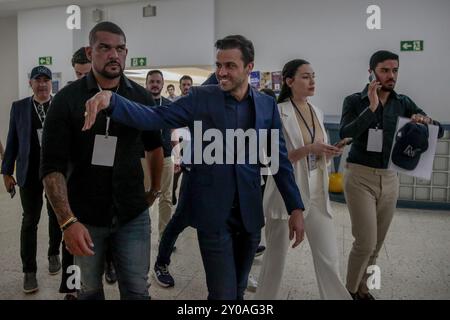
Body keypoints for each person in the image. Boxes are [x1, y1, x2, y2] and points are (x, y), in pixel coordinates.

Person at [83, 34, 306, 300]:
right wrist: (113, 101)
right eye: (218, 65)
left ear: (249, 67)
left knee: (237, 292)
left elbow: (278, 161)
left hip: (249, 216)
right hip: (214, 215)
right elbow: (156, 116)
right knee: (223, 294)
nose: (222, 72)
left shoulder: (266, 106)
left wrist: (295, 207)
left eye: (230, 66)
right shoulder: (201, 98)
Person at [41, 21, 163, 300]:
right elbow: (51, 167)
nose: (114, 55)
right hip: (84, 216)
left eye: (120, 48)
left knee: (136, 289)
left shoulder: (141, 97)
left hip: (132, 212)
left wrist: (154, 190)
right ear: (89, 51)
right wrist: (67, 222)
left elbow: (155, 147)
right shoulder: (66, 101)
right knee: (87, 291)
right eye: (105, 47)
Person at [340, 50, 444, 300]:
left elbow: (438, 132)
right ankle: (350, 291)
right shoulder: (354, 100)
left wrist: (426, 121)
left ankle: (364, 289)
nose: (391, 75)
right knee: (364, 241)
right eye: (385, 70)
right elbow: (345, 133)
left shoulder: (403, 102)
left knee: (376, 245)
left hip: (389, 178)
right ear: (371, 72)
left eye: (395, 70)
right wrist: (371, 107)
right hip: (359, 177)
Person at [255, 59, 351, 300]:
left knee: (329, 259)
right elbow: (269, 160)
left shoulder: (316, 111)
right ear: (289, 81)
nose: (312, 81)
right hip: (286, 196)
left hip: (317, 192)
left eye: (313, 76)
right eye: (306, 76)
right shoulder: (276, 112)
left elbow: (317, 153)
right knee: (274, 262)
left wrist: (327, 152)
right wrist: (308, 149)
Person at [1, 66, 62, 293]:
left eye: (46, 80)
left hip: (56, 172)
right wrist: (7, 172)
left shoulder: (59, 104)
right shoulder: (19, 108)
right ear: (31, 83)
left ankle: (54, 252)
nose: (42, 84)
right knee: (30, 221)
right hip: (29, 172)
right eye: (38, 80)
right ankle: (29, 271)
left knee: (57, 216)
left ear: (51, 84)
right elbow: (12, 140)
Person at [145, 70, 174, 241]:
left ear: (162, 84)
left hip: (166, 157)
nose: (155, 84)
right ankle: (143, 233)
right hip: (144, 157)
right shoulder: (139, 103)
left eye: (158, 82)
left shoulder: (169, 105)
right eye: (152, 82)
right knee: (143, 196)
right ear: (146, 84)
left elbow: (173, 129)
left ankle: (164, 236)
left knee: (166, 198)